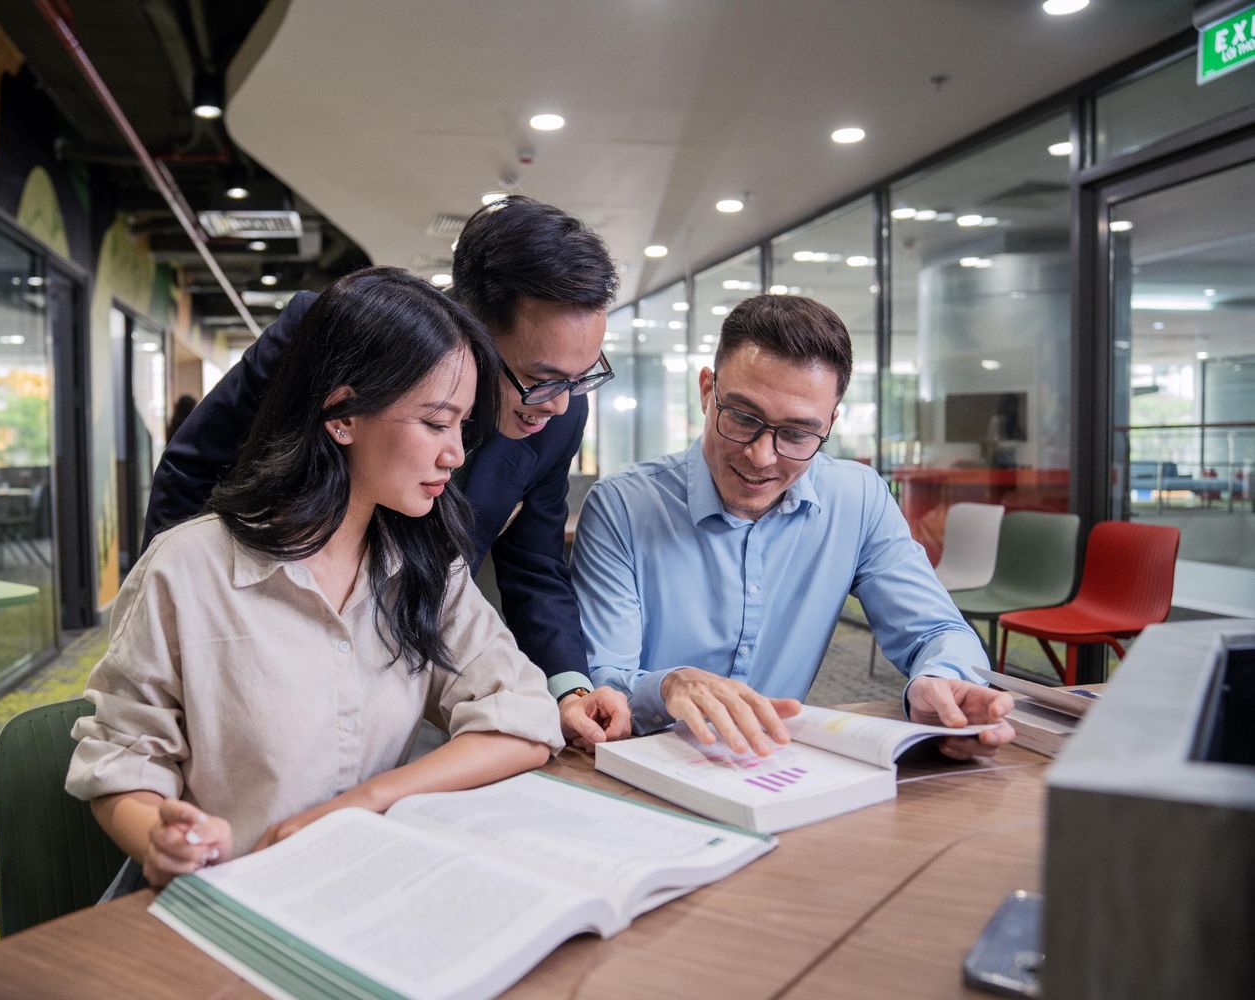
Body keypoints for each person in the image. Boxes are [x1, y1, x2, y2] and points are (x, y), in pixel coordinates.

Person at [67, 269, 564, 888]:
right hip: (228, 897)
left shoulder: (424, 566)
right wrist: (162, 840)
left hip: (364, 888)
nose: (456, 455)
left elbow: (524, 719)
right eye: (435, 424)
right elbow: (121, 761)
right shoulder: (186, 569)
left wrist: (366, 801)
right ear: (341, 413)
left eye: (462, 427)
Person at [144, 196, 631, 749]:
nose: (561, 405)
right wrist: (172, 633)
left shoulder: (560, 413)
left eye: (581, 378)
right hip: (267, 631)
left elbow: (534, 563)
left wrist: (566, 689)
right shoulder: (335, 333)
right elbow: (194, 471)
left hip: (410, 655)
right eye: (542, 379)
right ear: (473, 330)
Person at [571, 294, 1016, 761]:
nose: (761, 456)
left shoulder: (858, 497)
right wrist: (667, 686)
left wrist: (943, 680)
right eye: (742, 418)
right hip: (645, 763)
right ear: (707, 391)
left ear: (830, 424)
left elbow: (936, 630)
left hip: (779, 765)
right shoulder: (623, 504)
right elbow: (604, 680)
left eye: (798, 434)